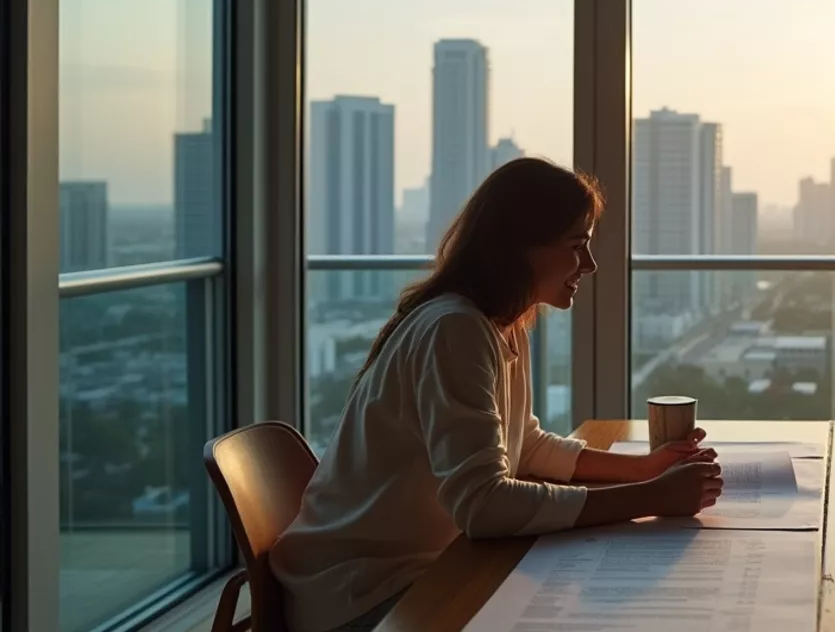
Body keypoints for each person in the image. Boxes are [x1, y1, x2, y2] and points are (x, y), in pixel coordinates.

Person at [272, 158, 724, 632]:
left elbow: (522, 446)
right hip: (360, 595)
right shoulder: (455, 329)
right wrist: (649, 498)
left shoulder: (500, 323)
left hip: (426, 569)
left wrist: (643, 470)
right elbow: (484, 505)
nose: (589, 265)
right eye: (577, 246)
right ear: (518, 248)